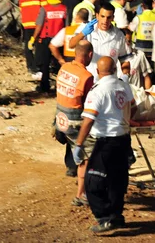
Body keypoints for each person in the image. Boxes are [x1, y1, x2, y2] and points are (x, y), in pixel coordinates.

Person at [73, 56, 136, 233]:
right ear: (115, 69)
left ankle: (105, 217)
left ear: (98, 72)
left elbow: (88, 121)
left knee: (93, 182)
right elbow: (134, 107)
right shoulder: (123, 85)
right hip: (123, 140)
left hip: (106, 143)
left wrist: (79, 144)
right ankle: (116, 216)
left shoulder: (98, 91)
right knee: (117, 182)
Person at [54, 40, 95, 201]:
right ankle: (81, 194)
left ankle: (73, 169)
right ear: (90, 55)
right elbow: (88, 104)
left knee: (75, 150)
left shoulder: (64, 68)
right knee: (87, 157)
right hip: (75, 122)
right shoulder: (87, 77)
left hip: (60, 119)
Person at [69, 3, 130, 80]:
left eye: (108, 17)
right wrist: (83, 33)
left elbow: (125, 60)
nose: (105, 21)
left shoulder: (119, 35)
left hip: (108, 82)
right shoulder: (86, 27)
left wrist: (125, 77)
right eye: (102, 16)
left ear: (113, 18)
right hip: (88, 79)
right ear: (97, 16)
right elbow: (71, 45)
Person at [30, 0, 67, 93]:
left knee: (45, 64)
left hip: (45, 40)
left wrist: (33, 38)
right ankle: (60, 87)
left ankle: (44, 86)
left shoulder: (44, 9)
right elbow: (67, 25)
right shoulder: (64, 9)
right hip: (59, 40)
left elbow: (39, 26)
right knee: (59, 63)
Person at [17, 0, 47, 77]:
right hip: (38, 23)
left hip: (26, 23)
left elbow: (21, 7)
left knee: (28, 45)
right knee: (39, 45)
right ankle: (38, 67)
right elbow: (45, 6)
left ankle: (30, 66)